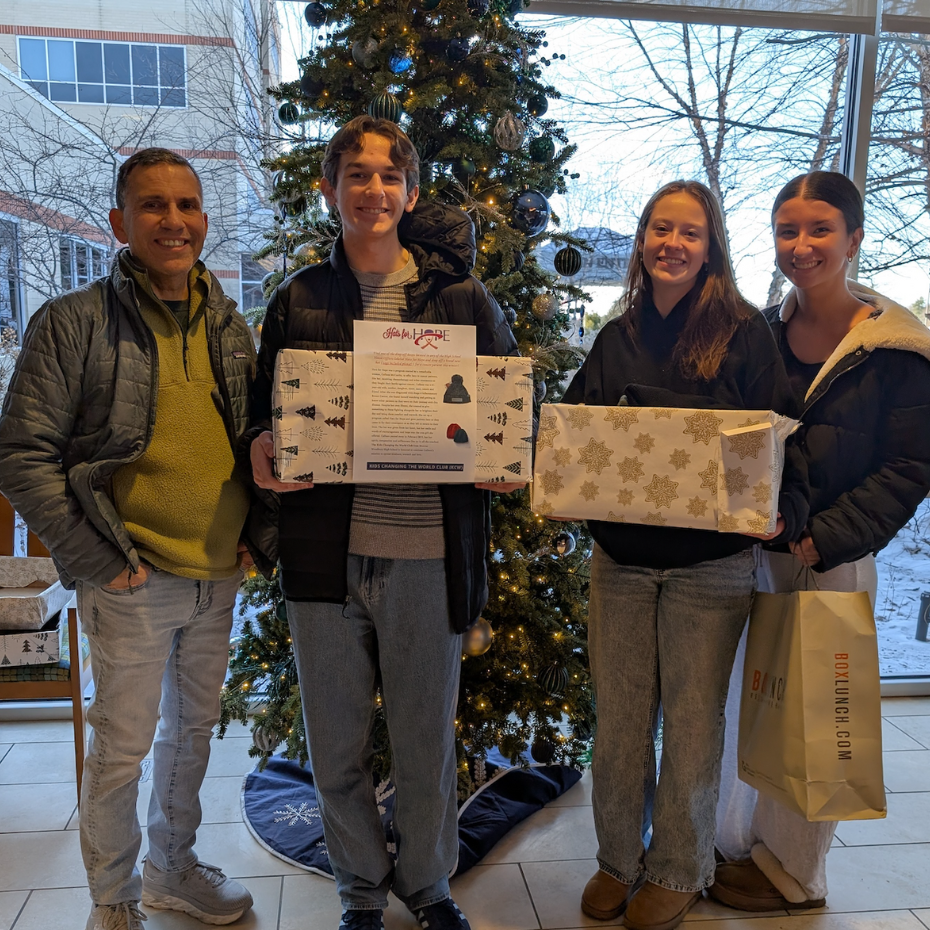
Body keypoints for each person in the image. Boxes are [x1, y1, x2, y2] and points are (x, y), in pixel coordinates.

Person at [242, 115, 519, 930]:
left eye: (390, 176)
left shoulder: (461, 298)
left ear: (412, 192)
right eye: (356, 175)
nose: (374, 190)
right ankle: (360, 891)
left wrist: (506, 457)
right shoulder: (297, 297)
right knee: (335, 744)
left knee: (426, 741)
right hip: (324, 557)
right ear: (329, 189)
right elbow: (262, 410)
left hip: (429, 553)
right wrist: (260, 444)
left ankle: (428, 886)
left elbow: (508, 403)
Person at [0, 148, 256, 930]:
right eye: (152, 205)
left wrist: (262, 532)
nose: (173, 221)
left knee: (192, 738)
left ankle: (172, 870)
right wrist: (95, 559)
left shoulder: (229, 324)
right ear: (119, 222)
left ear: (204, 219)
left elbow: (258, 439)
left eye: (187, 204)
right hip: (130, 578)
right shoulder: (72, 323)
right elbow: (21, 454)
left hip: (218, 576)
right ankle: (113, 901)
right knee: (122, 748)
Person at [561, 181, 807, 930]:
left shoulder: (744, 333)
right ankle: (618, 859)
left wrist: (783, 509)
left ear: (710, 248)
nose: (672, 244)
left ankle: (679, 866)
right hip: (622, 561)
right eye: (660, 229)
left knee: (695, 726)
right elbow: (575, 428)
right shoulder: (617, 336)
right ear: (642, 241)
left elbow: (780, 437)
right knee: (620, 721)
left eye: (689, 233)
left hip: (711, 567)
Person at [712, 171, 930, 911]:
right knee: (753, 702)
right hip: (755, 552)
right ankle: (737, 843)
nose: (801, 245)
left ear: (854, 237)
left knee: (817, 718)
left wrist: (824, 540)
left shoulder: (895, 349)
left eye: (820, 229)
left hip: (829, 559)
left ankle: (794, 874)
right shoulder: (761, 335)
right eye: (787, 230)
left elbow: (911, 465)